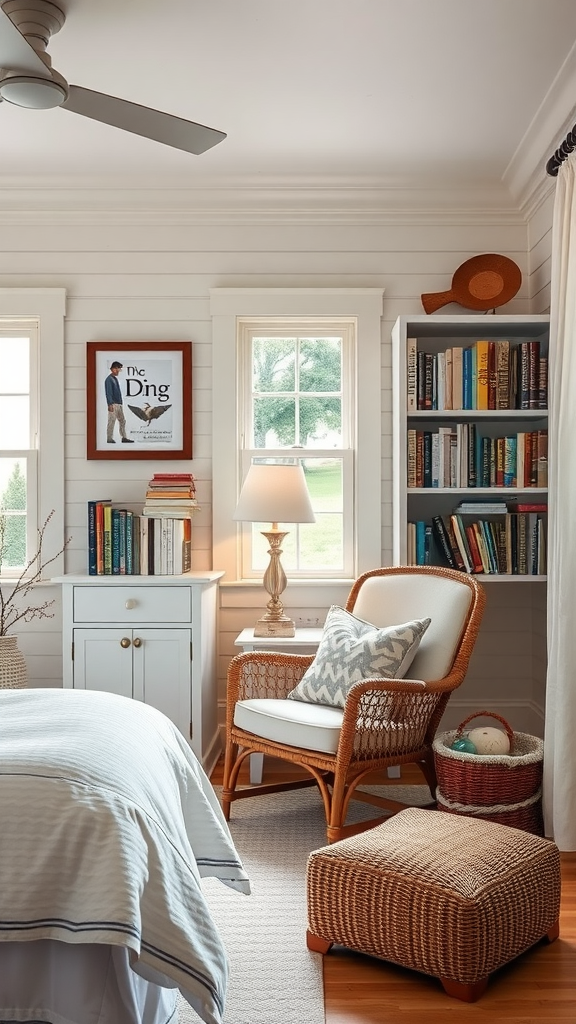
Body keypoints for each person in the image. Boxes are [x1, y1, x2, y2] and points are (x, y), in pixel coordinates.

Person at [104, 361, 134, 444]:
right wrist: (110, 404)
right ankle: (109, 438)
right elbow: (108, 392)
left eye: (119, 369)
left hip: (119, 404)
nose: (118, 371)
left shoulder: (115, 379)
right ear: (112, 369)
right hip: (113, 404)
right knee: (111, 421)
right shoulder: (109, 379)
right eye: (116, 369)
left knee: (122, 421)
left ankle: (124, 437)